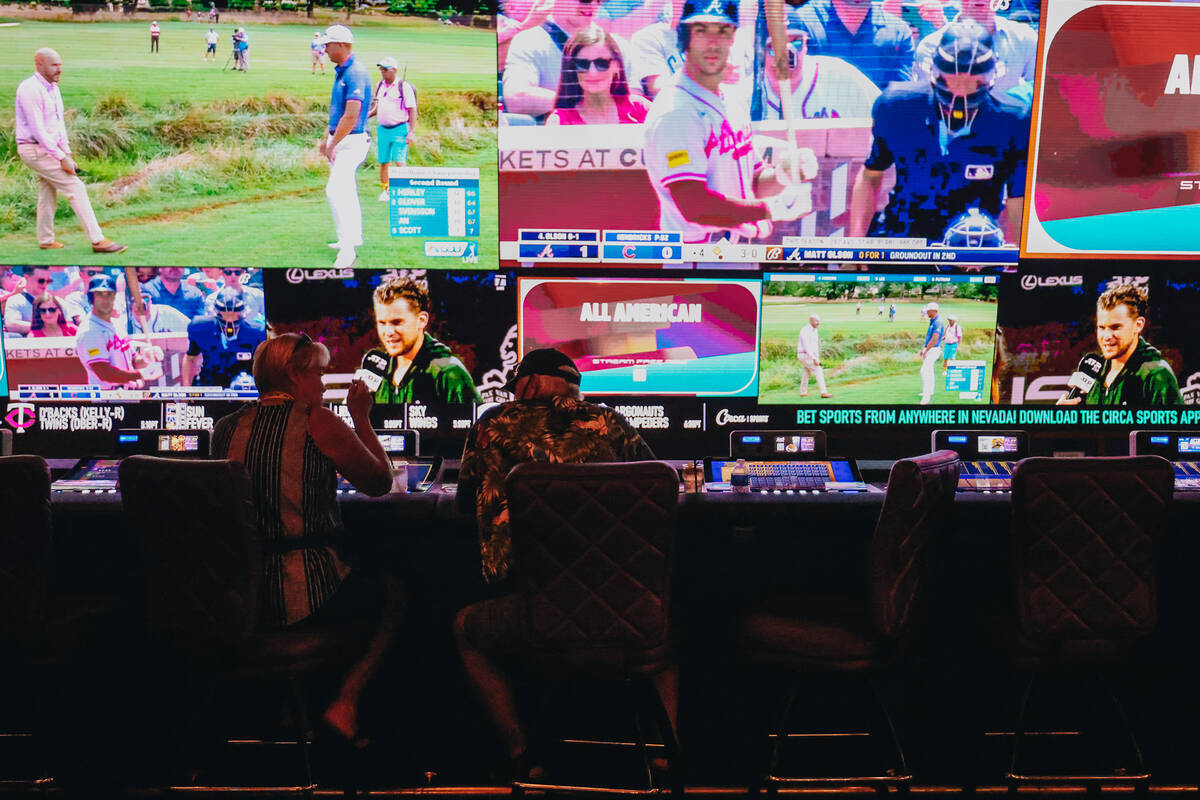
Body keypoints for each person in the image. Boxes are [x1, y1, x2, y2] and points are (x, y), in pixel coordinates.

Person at [453, 348, 660, 772]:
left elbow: (461, 501)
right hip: (623, 611)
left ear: (522, 385)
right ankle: (665, 753)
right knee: (670, 624)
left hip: (530, 612)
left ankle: (521, 752)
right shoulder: (607, 421)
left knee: (465, 629)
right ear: (573, 388)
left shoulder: (491, 425)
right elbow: (654, 481)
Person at [211, 333, 403, 746]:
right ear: (295, 375)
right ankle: (343, 704)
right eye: (319, 373)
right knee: (393, 593)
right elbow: (379, 482)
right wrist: (362, 417)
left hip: (237, 596)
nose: (322, 383)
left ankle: (285, 707)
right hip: (304, 594)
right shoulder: (317, 420)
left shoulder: (225, 429)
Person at [642, 0, 816, 247]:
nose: (713, 42)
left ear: (733, 37)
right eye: (701, 30)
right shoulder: (676, 112)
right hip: (697, 258)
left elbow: (753, 181)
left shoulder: (731, 98)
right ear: (685, 38)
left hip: (735, 252)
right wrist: (772, 209)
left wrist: (782, 175)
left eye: (722, 31)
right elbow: (696, 207)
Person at [847, 21, 1028, 246]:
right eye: (952, 79)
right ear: (934, 71)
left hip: (974, 244)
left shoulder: (1014, 119)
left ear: (990, 77)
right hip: (905, 237)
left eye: (972, 82)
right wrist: (854, 245)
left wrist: (1021, 258)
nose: (960, 90)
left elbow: (1018, 197)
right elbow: (870, 175)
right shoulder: (897, 105)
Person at [14, 49, 126, 254]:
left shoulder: (53, 89)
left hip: (48, 148)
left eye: (60, 65)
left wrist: (67, 153)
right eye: (54, 65)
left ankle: (46, 239)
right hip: (33, 149)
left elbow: (58, 125)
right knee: (75, 187)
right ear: (39, 65)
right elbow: (38, 131)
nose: (59, 69)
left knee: (47, 191)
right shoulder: (29, 89)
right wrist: (60, 157)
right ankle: (97, 240)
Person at [1056, 284, 1183, 407]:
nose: (1106, 336)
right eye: (1102, 327)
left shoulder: (1156, 375)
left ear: (1138, 325)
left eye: (1115, 327)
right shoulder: (1096, 373)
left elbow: (1176, 428)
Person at [370, 277, 481, 404]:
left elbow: (479, 423)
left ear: (422, 320)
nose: (389, 332)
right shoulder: (378, 374)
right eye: (382, 323)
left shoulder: (449, 373)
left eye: (397, 322)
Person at [318, 24, 371, 270]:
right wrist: (325, 138)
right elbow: (337, 112)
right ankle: (350, 237)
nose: (325, 49)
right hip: (342, 139)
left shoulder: (356, 73)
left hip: (352, 142)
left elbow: (351, 116)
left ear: (342, 45)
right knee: (346, 190)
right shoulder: (342, 71)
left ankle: (348, 252)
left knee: (335, 191)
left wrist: (332, 144)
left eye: (328, 44)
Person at [501, 0, 608, 119]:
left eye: (599, 0)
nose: (593, 5)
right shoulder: (529, 40)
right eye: (585, 0)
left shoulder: (616, 45)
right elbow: (516, 98)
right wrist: (582, 105)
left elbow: (632, 100)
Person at [912, 0, 1037, 102]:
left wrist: (1009, 104)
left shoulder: (1024, 37)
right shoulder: (931, 46)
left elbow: (1036, 88)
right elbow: (929, 100)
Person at [787, 0, 914, 90]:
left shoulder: (898, 32)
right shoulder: (802, 23)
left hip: (874, 124)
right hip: (816, 122)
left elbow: (900, 101)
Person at [760, 29, 879, 120]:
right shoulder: (749, 90)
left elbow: (886, 116)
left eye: (796, 44)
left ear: (806, 44)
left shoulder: (840, 75)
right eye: (774, 47)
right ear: (759, 50)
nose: (787, 56)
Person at [546, 28, 650, 125]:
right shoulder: (560, 121)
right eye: (582, 64)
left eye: (602, 63)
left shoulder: (641, 109)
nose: (592, 72)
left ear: (616, 66)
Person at [75, 275, 162, 389]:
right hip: (108, 398)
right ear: (92, 298)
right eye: (100, 295)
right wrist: (142, 374)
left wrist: (146, 358)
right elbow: (105, 373)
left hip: (128, 393)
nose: (105, 300)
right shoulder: (89, 331)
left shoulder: (117, 324)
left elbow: (133, 361)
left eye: (109, 295)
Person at [183, 287, 267, 388]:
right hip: (211, 386)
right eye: (225, 315)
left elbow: (266, 366)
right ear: (215, 312)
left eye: (234, 314)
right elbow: (190, 358)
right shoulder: (200, 328)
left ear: (243, 312)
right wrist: (186, 389)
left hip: (245, 388)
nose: (230, 319)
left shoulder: (257, 333)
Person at [369, 56, 417, 202]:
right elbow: (378, 107)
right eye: (381, 69)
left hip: (400, 129)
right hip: (383, 129)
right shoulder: (379, 85)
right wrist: (366, 116)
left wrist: (411, 132)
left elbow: (412, 109)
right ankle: (386, 190)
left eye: (385, 69)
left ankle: (403, 190)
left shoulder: (404, 87)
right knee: (384, 161)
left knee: (399, 160)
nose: (382, 72)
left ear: (394, 70)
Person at [3, 266, 53, 336]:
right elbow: (11, 324)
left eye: (48, 281)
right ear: (27, 278)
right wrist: (43, 328)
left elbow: (69, 325)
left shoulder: (55, 300)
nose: (45, 284)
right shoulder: (15, 300)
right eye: (40, 280)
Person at [796, 313, 834, 398]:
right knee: (818, 370)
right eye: (816, 321)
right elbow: (807, 346)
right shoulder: (805, 330)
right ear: (811, 321)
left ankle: (803, 392)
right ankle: (824, 392)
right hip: (804, 354)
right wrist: (813, 358)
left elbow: (815, 346)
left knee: (807, 372)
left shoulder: (815, 330)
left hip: (809, 355)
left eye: (819, 321)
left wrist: (817, 357)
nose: (818, 323)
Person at [918, 300, 944, 404]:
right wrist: (923, 348)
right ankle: (930, 391)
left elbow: (934, 339)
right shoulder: (933, 320)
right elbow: (930, 338)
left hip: (933, 350)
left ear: (933, 311)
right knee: (930, 370)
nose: (926, 312)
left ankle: (926, 396)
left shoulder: (938, 322)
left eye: (928, 311)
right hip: (931, 348)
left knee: (924, 371)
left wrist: (926, 351)